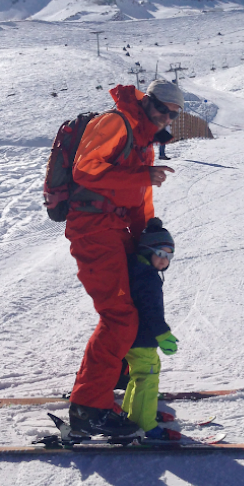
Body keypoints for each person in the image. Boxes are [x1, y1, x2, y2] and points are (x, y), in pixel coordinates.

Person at [66, 79, 183, 436]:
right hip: (94, 229)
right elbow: (84, 169)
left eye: (172, 113)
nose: (166, 117)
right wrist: (141, 175)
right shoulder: (115, 123)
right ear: (147, 101)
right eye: (162, 108)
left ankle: (116, 385)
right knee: (119, 317)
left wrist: (150, 234)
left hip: (117, 232)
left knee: (130, 309)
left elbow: (139, 197)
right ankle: (88, 408)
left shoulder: (143, 141)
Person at [121, 218, 181, 441]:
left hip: (135, 337)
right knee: (147, 378)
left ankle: (133, 413)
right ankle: (145, 424)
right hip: (141, 337)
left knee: (144, 373)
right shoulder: (147, 278)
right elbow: (151, 312)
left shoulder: (139, 270)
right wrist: (163, 334)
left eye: (169, 256)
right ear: (147, 250)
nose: (165, 260)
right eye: (161, 254)